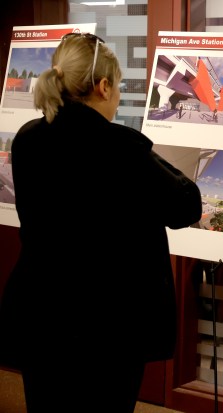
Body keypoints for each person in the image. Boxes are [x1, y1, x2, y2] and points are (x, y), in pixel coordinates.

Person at [0, 32, 202, 413]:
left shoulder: (27, 139)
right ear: (103, 85)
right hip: (106, 328)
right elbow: (185, 206)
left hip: (39, 313)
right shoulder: (121, 147)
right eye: (120, 86)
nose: (119, 95)